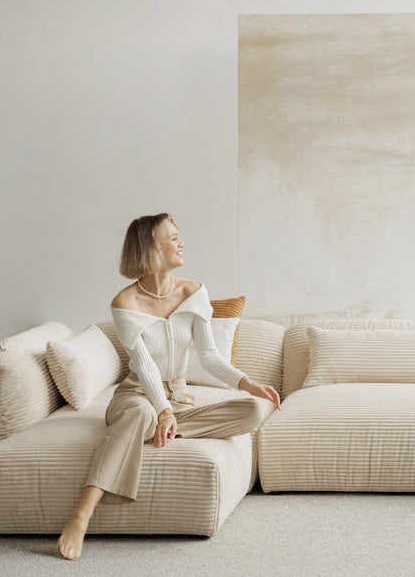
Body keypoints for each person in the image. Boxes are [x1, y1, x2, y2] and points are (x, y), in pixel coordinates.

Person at [58, 213, 281, 560]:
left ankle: (157, 427)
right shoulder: (125, 303)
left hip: (179, 399)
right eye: (173, 238)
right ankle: (82, 513)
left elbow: (208, 356)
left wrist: (247, 383)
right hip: (136, 394)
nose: (182, 243)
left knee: (253, 410)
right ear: (151, 247)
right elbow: (144, 365)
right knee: (140, 412)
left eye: (179, 237)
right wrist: (160, 409)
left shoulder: (194, 292)